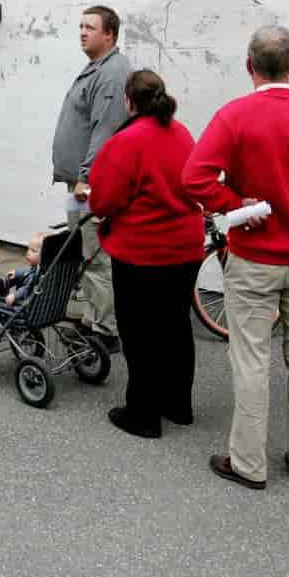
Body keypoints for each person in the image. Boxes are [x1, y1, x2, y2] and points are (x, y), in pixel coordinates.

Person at [183, 25, 289, 489]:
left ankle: (249, 464)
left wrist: (236, 205)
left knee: (252, 359)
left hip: (256, 260)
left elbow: (194, 177)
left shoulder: (235, 115)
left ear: (249, 66)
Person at [88, 70, 205, 439]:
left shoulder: (126, 140)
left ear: (128, 100)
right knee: (175, 325)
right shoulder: (182, 133)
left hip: (142, 249)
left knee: (139, 332)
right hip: (186, 247)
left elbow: (104, 199)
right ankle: (178, 405)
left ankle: (142, 413)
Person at [50, 5, 131, 352]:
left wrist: (85, 178)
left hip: (90, 184)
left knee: (95, 256)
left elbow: (105, 129)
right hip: (81, 183)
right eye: (81, 26)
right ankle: (94, 318)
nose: (82, 32)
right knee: (85, 253)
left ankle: (104, 330)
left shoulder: (112, 73)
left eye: (90, 27)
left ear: (109, 34)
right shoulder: (98, 67)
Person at [0, 232, 44, 308]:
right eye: (28, 249)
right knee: (13, 277)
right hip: (42, 307)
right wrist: (17, 273)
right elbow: (29, 270)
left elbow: (26, 289)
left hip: (24, 306)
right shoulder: (44, 269)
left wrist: (14, 296)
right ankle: (4, 286)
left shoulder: (37, 276)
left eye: (33, 251)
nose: (28, 253)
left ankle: (3, 289)